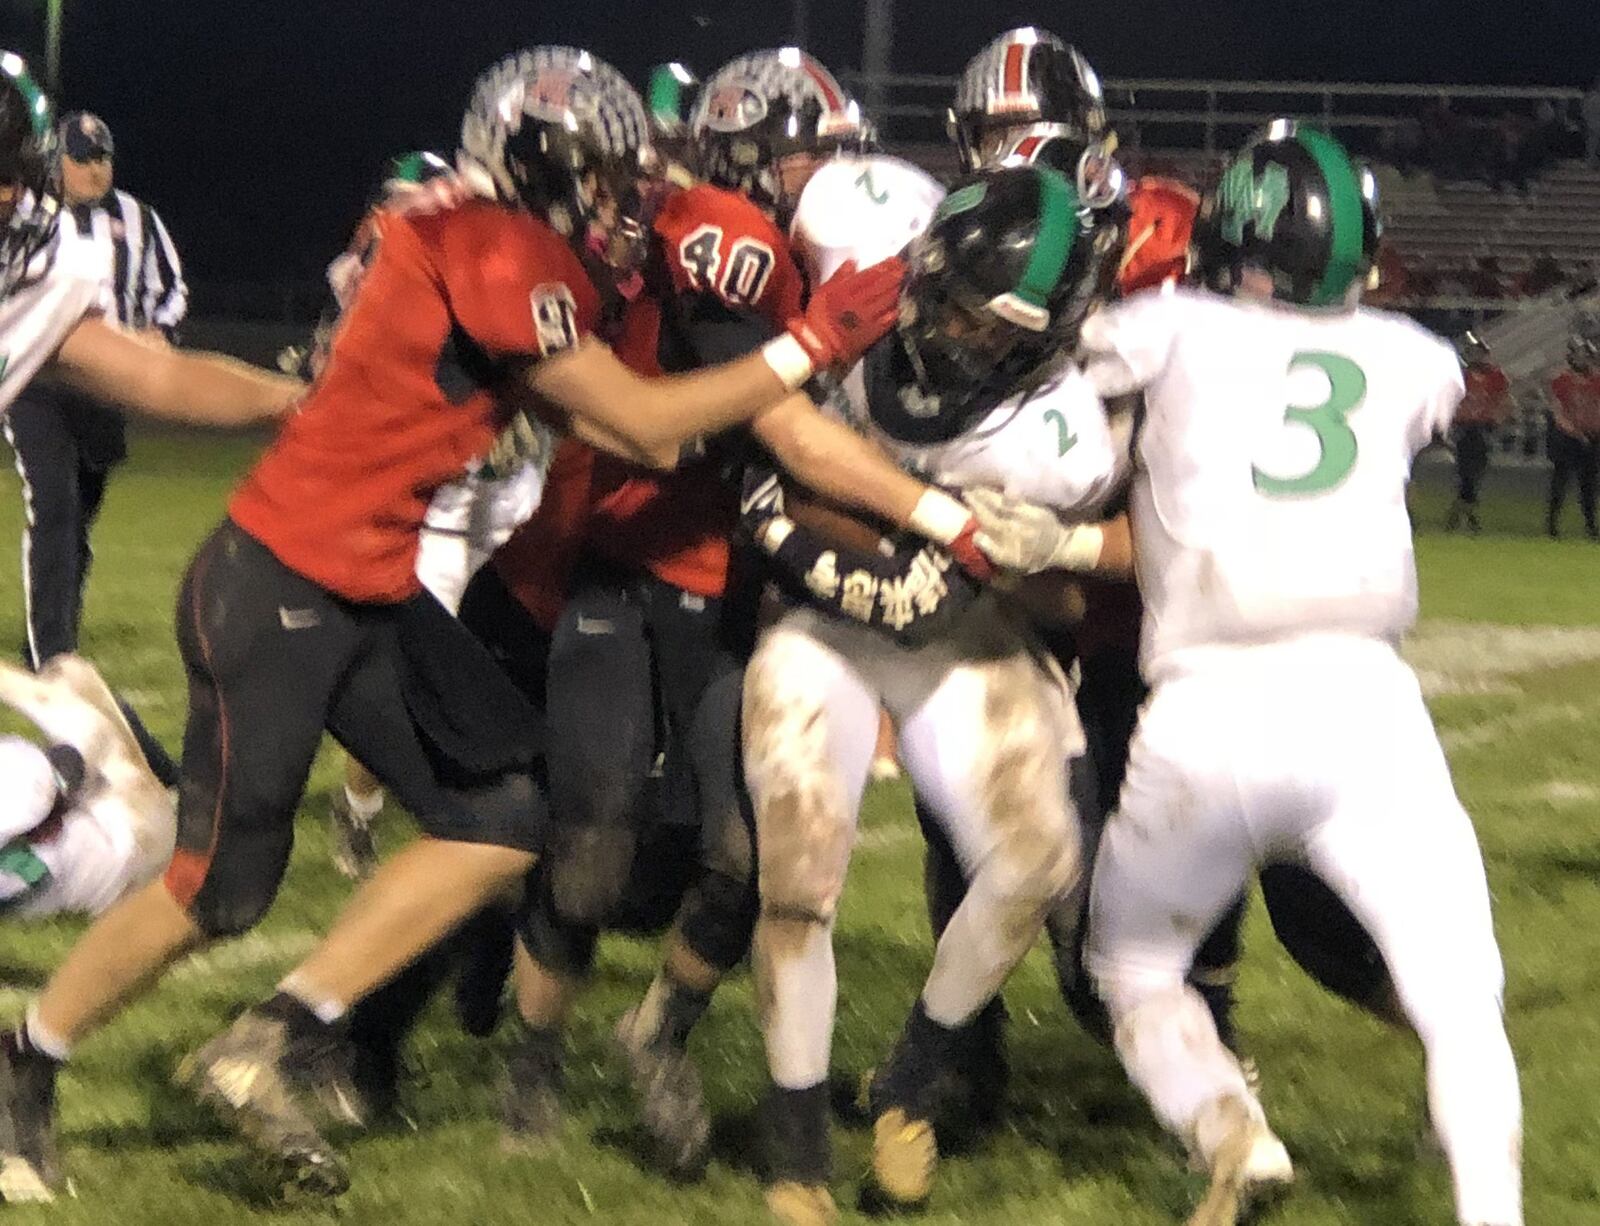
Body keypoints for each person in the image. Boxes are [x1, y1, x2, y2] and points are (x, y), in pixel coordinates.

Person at [0, 45, 957, 1204]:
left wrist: (296, 396)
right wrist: (810, 341)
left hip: (366, 585)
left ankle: (277, 1036)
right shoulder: (501, 249)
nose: (618, 205)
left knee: (508, 811)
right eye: (602, 182)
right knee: (223, 891)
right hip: (278, 589)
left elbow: (163, 373)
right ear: (543, 170)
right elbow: (648, 429)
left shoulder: (491, 235)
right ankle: (29, 1059)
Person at [1060, 122, 1521, 1226]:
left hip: (1207, 704)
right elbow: (1435, 387)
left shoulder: (1163, 327)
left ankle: (1232, 1125)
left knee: (1132, 967)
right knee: (1462, 1002)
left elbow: (1073, 375)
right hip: (1366, 704)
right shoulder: (1409, 354)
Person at [746, 158, 1123, 1226]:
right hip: (821, 616)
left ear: (1044, 341)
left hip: (950, 632)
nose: (950, 330)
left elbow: (1048, 602)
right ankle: (794, 1154)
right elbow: (787, 445)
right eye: (945, 298)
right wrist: (913, 515)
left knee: (1039, 856)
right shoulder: (862, 298)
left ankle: (910, 1081)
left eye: (985, 324)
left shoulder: (1058, 433)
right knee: (798, 869)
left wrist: (1021, 562)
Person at [4, 110, 187, 676]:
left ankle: (61, 624)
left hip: (107, 387)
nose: (95, 170)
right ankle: (50, 651)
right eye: (82, 158)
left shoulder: (139, 219)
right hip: (40, 382)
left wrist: (161, 331)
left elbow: (170, 290)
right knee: (54, 503)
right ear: (54, 160)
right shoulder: (31, 218)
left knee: (79, 515)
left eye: (102, 157)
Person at [1446, 333, 1511, 533]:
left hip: (1483, 426)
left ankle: (1462, 510)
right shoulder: (1461, 375)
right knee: (1466, 472)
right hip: (1464, 427)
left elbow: (1505, 401)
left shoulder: (1496, 377)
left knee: (1476, 472)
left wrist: (1497, 419)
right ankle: (1467, 512)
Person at [1547, 335, 1600, 539]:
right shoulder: (1562, 380)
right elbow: (1558, 412)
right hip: (1568, 437)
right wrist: (1575, 432)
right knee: (1560, 481)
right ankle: (1552, 523)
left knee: (1589, 484)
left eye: (1587, 357)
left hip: (1592, 436)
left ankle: (1590, 524)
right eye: (1580, 356)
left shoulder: (1596, 381)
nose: (1584, 360)